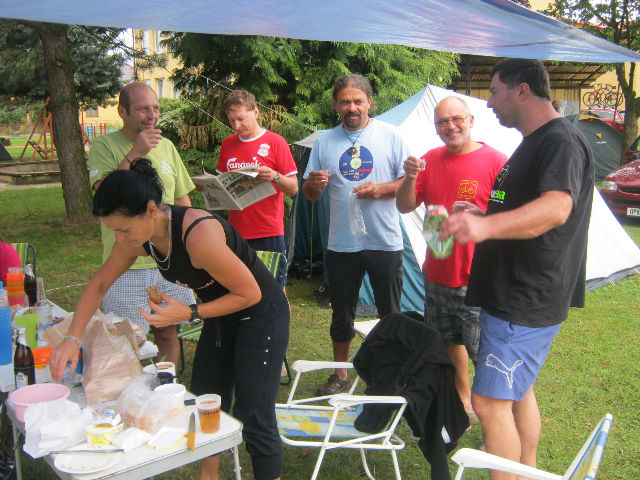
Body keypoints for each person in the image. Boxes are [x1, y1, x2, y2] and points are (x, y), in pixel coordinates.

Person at [50, 159, 289, 480]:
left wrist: (189, 312)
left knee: (256, 413)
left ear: (151, 210)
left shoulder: (198, 235)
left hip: (261, 315)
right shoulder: (142, 235)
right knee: (207, 400)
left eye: (123, 230)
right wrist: (71, 338)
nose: (119, 240)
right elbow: (99, 283)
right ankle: (209, 476)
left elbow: (251, 294)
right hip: (222, 316)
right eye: (113, 231)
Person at [440, 59, 594, 479]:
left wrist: (485, 225)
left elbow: (556, 208)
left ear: (522, 90)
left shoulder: (558, 141)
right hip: (511, 294)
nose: (488, 102)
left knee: (490, 403)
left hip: (525, 300)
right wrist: (486, 210)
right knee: (519, 391)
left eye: (494, 91)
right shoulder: (534, 140)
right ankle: (527, 471)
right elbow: (529, 205)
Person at [396, 95, 507, 424]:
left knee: (485, 354)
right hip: (437, 273)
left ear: (471, 121)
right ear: (436, 127)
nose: (450, 126)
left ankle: (496, 415)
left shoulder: (496, 161)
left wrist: (481, 215)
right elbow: (404, 206)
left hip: (478, 279)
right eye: (443, 122)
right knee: (448, 343)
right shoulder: (429, 160)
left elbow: (511, 215)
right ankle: (463, 400)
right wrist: (410, 177)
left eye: (457, 119)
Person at [302, 74, 409, 396]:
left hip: (384, 240)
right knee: (341, 313)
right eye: (345, 101)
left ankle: (390, 378)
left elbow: (411, 184)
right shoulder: (325, 142)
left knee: (390, 313)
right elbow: (309, 194)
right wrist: (313, 185)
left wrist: (382, 189)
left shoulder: (391, 135)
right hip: (342, 243)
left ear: (369, 102)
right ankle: (340, 375)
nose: (352, 107)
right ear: (336, 105)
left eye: (358, 101)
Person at [88, 81, 196, 367]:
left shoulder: (168, 147)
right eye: (143, 109)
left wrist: (186, 250)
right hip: (126, 263)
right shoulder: (104, 145)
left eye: (156, 108)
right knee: (126, 341)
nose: (152, 115)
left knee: (167, 333)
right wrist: (135, 152)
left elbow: (182, 201)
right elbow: (104, 196)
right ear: (123, 111)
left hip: (167, 262)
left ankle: (166, 387)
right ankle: (129, 394)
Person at [218, 89, 298, 281]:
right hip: (236, 231)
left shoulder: (275, 142)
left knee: (274, 289)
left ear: (256, 112)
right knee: (242, 288)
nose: (236, 126)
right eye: (231, 121)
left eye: (241, 119)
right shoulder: (227, 144)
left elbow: (294, 188)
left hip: (267, 230)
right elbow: (222, 186)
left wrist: (275, 176)